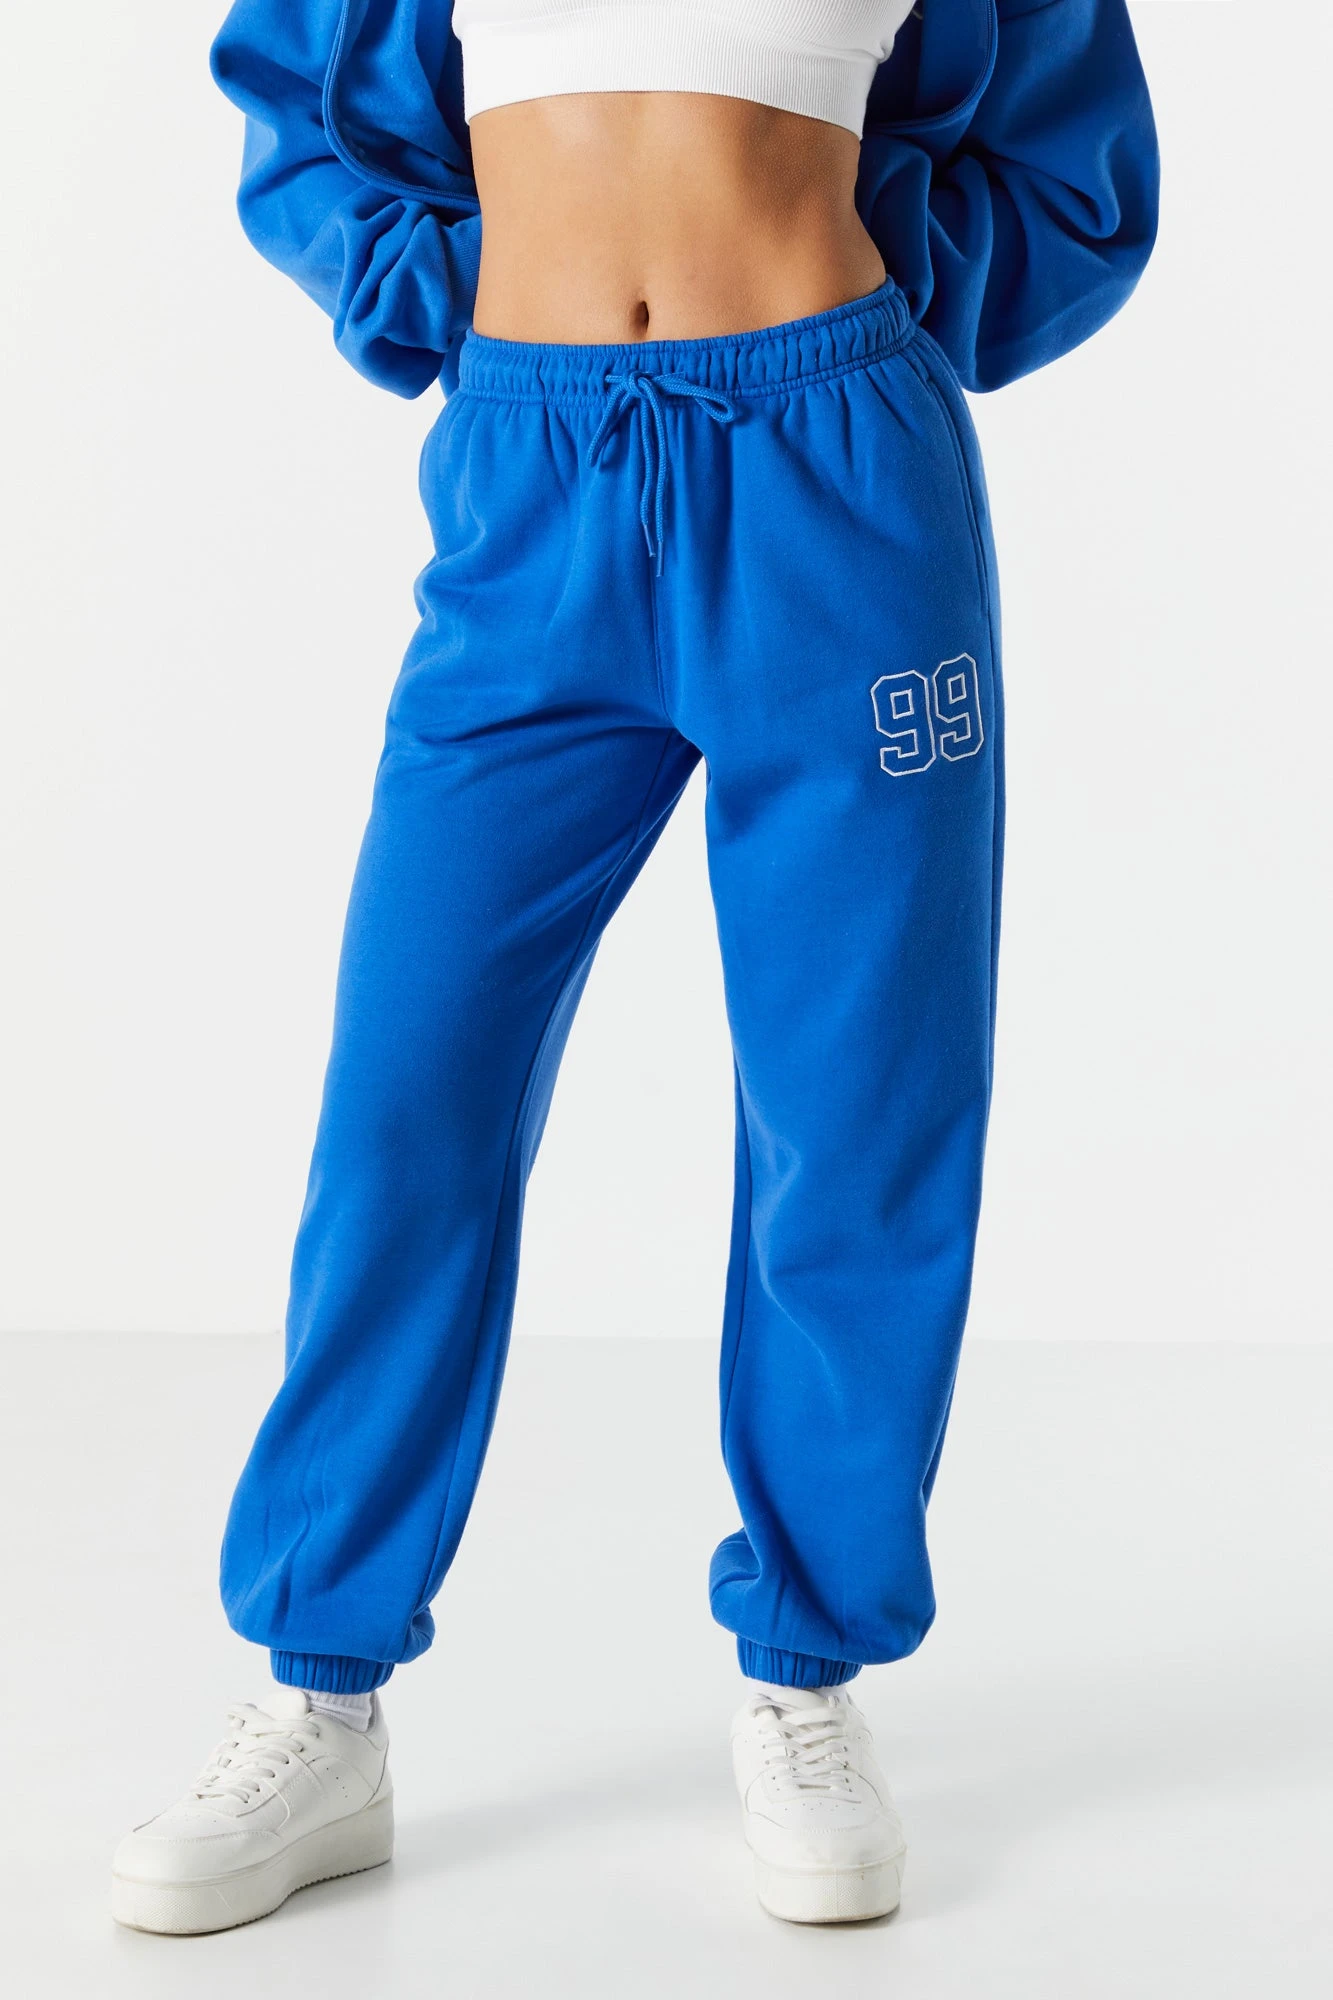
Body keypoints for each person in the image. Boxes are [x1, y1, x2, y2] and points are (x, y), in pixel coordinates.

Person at [111, 0, 1157, 1935]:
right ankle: (319, 1692)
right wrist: (470, 289)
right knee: (408, 1102)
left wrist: (854, 304)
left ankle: (808, 1673)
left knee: (858, 1118)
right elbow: (298, 105)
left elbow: (1080, 181)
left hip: (840, 486)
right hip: (530, 483)